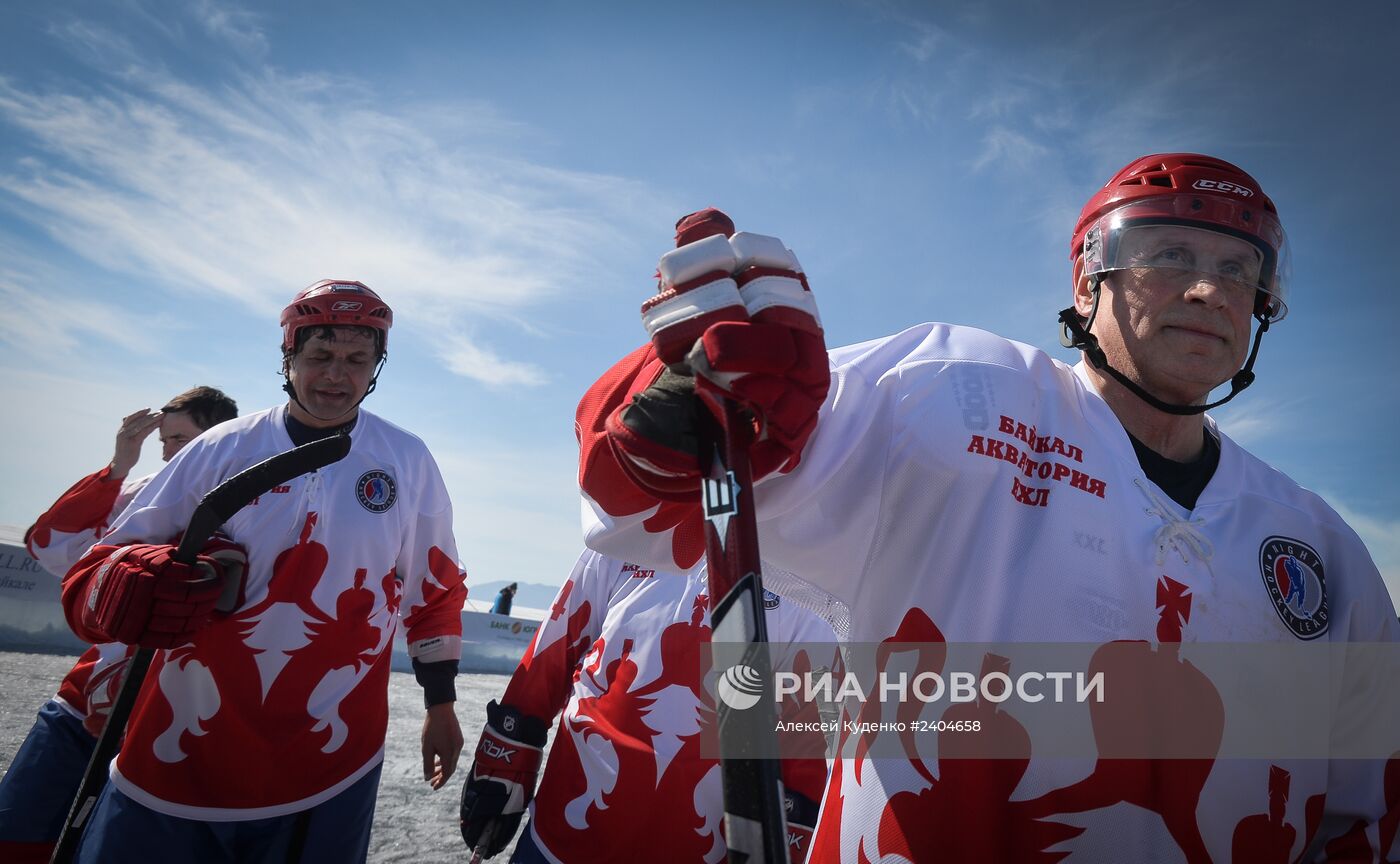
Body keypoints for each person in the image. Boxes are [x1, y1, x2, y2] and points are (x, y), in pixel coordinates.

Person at [573, 158, 1400, 861]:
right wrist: (677, 413)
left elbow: (1363, 808)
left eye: (1237, 269)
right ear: (1089, 276)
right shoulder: (954, 393)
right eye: (1170, 252)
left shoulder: (1318, 545)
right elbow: (649, 517)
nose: (1207, 288)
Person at [55, 280, 468, 863]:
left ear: (376, 366)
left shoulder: (407, 460)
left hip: (332, 757)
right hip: (182, 743)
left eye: (357, 359)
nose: (336, 375)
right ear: (289, 357)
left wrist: (441, 705)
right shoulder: (222, 447)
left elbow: (436, 589)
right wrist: (130, 580)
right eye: (319, 356)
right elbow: (97, 569)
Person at [459, 548, 834, 863]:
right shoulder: (632, 527)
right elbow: (554, 649)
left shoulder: (814, 582)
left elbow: (808, 748)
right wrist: (503, 759)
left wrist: (794, 832)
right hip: (559, 842)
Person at [0, 386, 238, 864]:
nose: (169, 451)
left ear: (217, 441)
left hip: (164, 717)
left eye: (181, 439)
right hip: (85, 697)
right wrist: (117, 467)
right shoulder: (135, 490)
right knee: (16, 826)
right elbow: (49, 546)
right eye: (164, 440)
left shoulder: (247, 507)